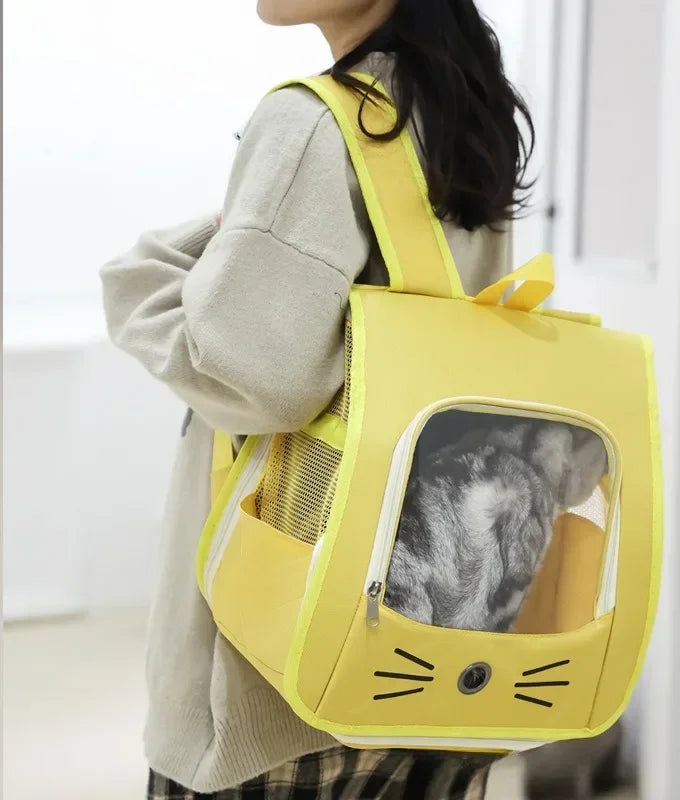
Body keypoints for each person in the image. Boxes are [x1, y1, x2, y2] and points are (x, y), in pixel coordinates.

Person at [101, 0, 534, 797]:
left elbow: (241, 371)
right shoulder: (460, 114)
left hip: (280, 684)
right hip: (434, 647)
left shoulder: (316, 122)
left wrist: (137, 289)